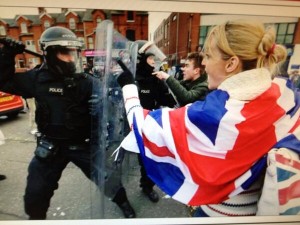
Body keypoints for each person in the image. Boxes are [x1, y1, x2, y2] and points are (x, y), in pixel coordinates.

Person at [116, 20, 299, 217]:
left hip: (221, 213)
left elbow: (143, 125)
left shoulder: (216, 114)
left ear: (231, 63)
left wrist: (128, 87)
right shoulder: (285, 95)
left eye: (209, 56)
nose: (203, 63)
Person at [0, 27, 135, 219]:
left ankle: (124, 203)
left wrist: (101, 106)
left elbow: (112, 111)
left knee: (109, 179)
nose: (71, 58)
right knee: (35, 193)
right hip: (51, 146)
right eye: (65, 53)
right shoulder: (37, 79)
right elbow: (3, 81)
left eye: (73, 53)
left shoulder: (87, 81)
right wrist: (7, 54)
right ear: (50, 54)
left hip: (83, 145)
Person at [134, 40, 176, 202]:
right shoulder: (132, 79)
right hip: (135, 126)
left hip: (152, 126)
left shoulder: (156, 78)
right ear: (141, 59)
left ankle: (146, 186)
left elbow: (169, 101)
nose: (154, 62)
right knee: (139, 159)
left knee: (149, 160)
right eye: (151, 59)